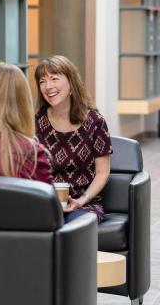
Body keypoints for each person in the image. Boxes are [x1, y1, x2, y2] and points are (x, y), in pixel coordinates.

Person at [34, 55, 112, 224]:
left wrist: (81, 200)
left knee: (75, 228)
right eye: (42, 81)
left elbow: (102, 172)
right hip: (45, 204)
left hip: (85, 205)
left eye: (54, 78)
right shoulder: (35, 122)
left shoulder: (95, 121)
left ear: (71, 84)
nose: (48, 86)